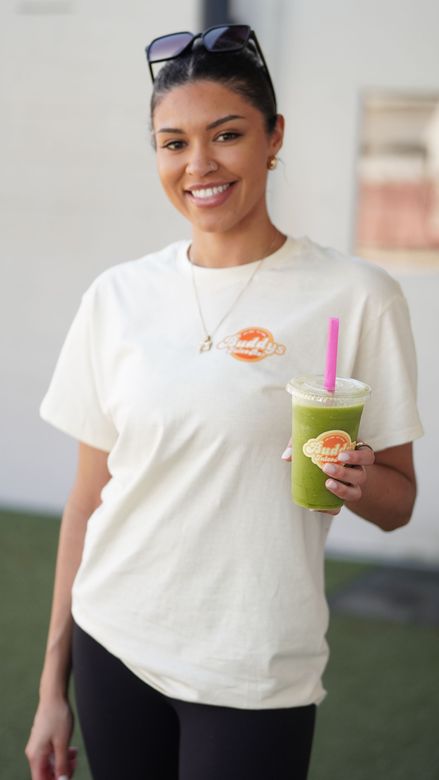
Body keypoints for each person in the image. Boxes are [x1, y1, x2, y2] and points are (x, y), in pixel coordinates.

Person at [25, 23, 423, 780]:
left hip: (255, 665)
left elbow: (396, 501)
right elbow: (87, 501)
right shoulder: (117, 296)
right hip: (114, 639)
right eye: (172, 143)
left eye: (226, 134)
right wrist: (54, 686)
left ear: (274, 137)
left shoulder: (358, 296)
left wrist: (353, 477)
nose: (198, 164)